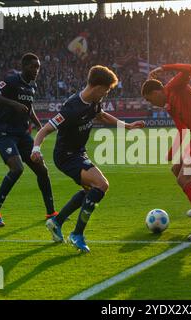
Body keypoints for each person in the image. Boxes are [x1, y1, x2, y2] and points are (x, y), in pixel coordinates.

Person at [31, 65, 144, 252]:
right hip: (65, 156)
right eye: (106, 90)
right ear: (98, 87)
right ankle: (77, 234)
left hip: (79, 153)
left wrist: (127, 126)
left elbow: (102, 116)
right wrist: (36, 148)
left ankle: (56, 222)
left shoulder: (94, 102)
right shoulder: (71, 108)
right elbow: (45, 129)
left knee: (92, 190)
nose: (106, 94)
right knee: (101, 185)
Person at [141, 63, 191, 241]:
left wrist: (162, 68)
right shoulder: (169, 106)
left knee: (184, 178)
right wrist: (172, 153)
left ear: (156, 93)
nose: (151, 104)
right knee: (176, 169)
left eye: (149, 99)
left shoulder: (173, 87)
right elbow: (182, 131)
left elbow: (188, 68)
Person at [0, 53, 57, 227]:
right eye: (33, 66)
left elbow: (29, 109)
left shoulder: (32, 87)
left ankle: (51, 213)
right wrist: (13, 103)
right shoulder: (10, 81)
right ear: (24, 66)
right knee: (17, 168)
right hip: (3, 133)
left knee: (42, 169)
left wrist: (40, 127)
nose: (36, 70)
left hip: (21, 134)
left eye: (38, 67)